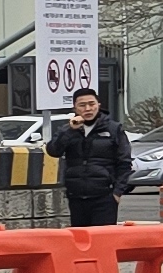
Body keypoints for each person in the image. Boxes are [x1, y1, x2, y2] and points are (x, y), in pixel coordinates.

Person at [46, 88, 128, 228]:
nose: (88, 109)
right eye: (82, 105)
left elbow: (124, 162)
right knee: (80, 237)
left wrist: (117, 193)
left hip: (105, 196)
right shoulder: (68, 130)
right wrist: (70, 131)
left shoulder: (113, 129)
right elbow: (53, 151)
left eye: (92, 104)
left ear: (98, 105)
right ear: (75, 108)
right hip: (76, 196)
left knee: (102, 238)